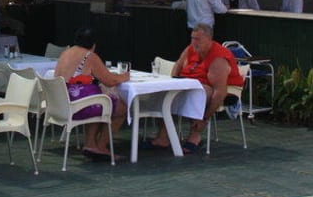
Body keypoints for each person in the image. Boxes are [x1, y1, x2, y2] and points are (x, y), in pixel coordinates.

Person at [144, 23, 243, 154]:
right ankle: (163, 137)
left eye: (198, 39)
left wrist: (205, 119)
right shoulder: (191, 49)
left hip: (218, 89)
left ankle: (195, 136)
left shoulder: (218, 59)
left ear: (209, 39)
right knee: (164, 94)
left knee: (198, 92)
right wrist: (172, 82)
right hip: (189, 83)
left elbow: (220, 92)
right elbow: (178, 64)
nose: (194, 42)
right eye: (192, 38)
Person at [53, 28, 130, 160]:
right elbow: (110, 81)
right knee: (121, 108)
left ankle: (90, 144)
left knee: (98, 100)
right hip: (75, 107)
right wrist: (124, 77)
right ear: (93, 44)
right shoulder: (89, 56)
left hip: (60, 104)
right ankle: (100, 146)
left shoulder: (66, 53)